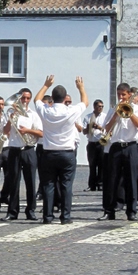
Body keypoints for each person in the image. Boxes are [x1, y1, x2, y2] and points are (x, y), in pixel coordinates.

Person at [34, 75, 88, 224]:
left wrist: (46, 85)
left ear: (52, 98)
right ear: (65, 98)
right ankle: (65, 216)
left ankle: (47, 216)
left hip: (49, 153)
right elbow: (85, 102)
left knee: (48, 185)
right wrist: (81, 88)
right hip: (66, 153)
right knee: (66, 186)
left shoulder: (46, 110)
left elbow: (37, 100)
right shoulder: (70, 111)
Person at [98, 84, 138, 222]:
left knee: (131, 179)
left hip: (131, 146)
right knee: (112, 180)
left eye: (123, 94)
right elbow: (106, 128)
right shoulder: (113, 109)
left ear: (129, 95)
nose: (121, 97)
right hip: (116, 146)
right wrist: (115, 114)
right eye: (119, 94)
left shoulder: (137, 109)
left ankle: (131, 211)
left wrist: (129, 113)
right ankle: (109, 211)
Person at [2, 89, 43, 221]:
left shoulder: (33, 115)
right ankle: (12, 212)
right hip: (14, 150)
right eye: (23, 98)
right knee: (13, 181)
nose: (25, 101)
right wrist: (11, 119)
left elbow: (41, 133)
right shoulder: (10, 112)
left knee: (30, 182)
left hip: (28, 150)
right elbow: (5, 131)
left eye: (28, 98)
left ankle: (31, 211)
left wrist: (28, 131)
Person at [82, 99, 106, 192]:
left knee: (101, 164)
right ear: (94, 107)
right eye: (99, 106)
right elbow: (84, 131)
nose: (101, 108)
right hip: (91, 143)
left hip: (101, 142)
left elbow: (107, 130)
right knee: (92, 165)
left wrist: (99, 127)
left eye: (102, 106)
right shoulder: (88, 117)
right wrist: (89, 127)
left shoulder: (104, 117)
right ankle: (91, 185)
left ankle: (100, 184)